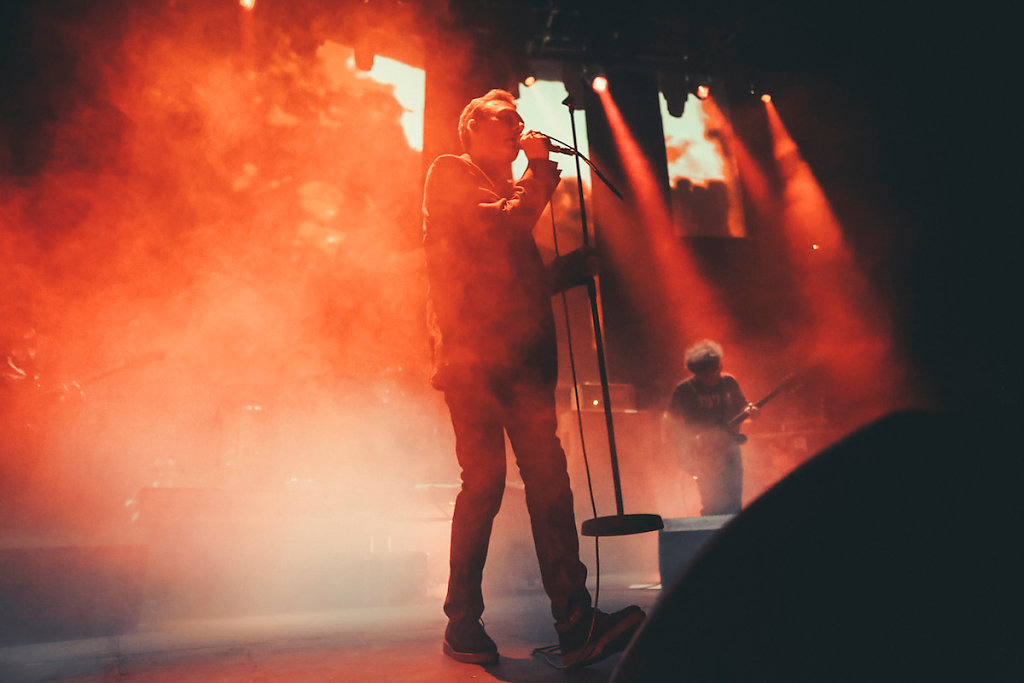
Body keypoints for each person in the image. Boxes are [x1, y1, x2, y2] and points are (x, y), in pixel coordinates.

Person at [422, 88, 644, 668]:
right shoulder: (450, 174)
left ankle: (575, 624)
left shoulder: (505, 193)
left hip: (520, 363)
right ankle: (462, 622)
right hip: (474, 362)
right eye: (504, 119)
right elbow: (504, 228)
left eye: (520, 120)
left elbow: (508, 280)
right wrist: (541, 168)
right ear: (470, 127)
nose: (517, 126)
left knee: (549, 479)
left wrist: (568, 271)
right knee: (486, 484)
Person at [667, 340, 757, 516]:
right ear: (697, 372)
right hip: (703, 453)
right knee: (712, 501)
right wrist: (687, 454)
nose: (715, 374)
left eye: (718, 369)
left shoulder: (729, 382)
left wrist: (751, 411)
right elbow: (672, 426)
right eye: (709, 372)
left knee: (734, 498)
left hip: (730, 447)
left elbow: (743, 407)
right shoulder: (684, 390)